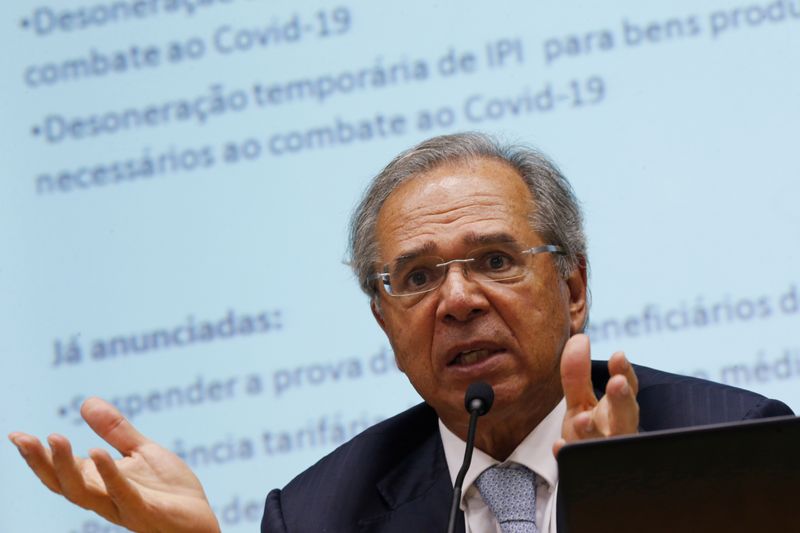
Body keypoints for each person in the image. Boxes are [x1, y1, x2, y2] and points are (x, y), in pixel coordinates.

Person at [9, 132, 793, 533]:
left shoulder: (736, 444)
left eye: (493, 258)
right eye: (415, 278)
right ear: (384, 320)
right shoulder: (320, 515)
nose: (456, 300)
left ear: (574, 287)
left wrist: (627, 506)